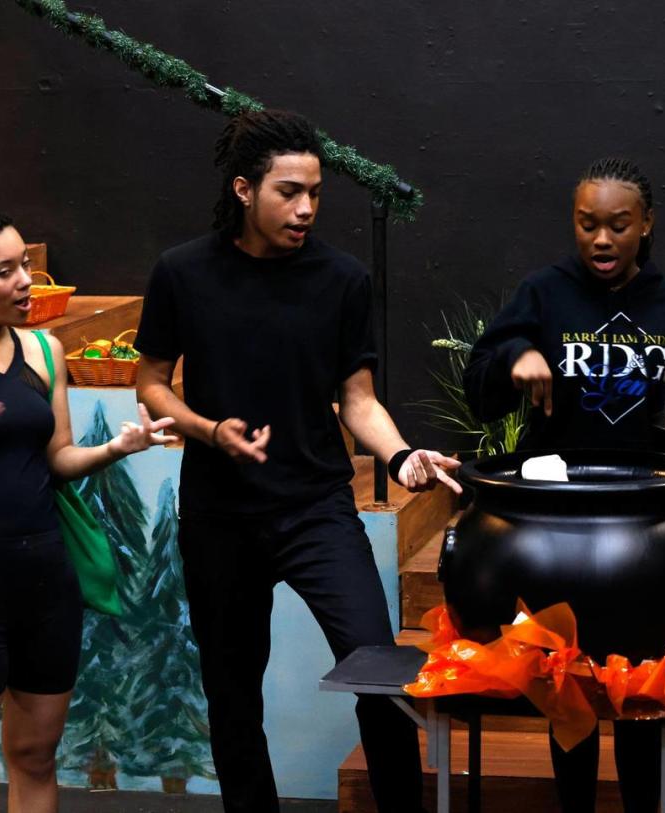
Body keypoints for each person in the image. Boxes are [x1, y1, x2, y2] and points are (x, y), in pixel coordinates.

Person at [135, 108, 461, 813]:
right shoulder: (182, 272)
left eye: (315, 191)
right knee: (231, 690)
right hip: (220, 513)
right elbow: (151, 380)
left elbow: (358, 398)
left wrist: (402, 453)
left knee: (379, 672)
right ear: (245, 189)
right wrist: (205, 428)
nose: (307, 207)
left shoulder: (340, 280)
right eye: (290, 191)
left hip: (315, 507)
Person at [463, 157, 665, 812]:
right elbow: (481, 383)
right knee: (572, 696)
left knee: (642, 695)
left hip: (643, 532)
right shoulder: (543, 293)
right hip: (556, 525)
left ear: (645, 226)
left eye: (618, 225)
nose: (601, 239)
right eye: (587, 224)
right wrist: (514, 356)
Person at [0, 207, 176, 813]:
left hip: (48, 590)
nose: (26, 281)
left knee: (35, 762)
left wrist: (117, 448)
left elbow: (59, 459)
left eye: (27, 265)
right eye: (5, 271)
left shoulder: (45, 351)